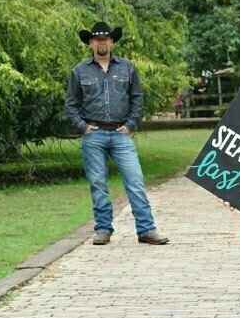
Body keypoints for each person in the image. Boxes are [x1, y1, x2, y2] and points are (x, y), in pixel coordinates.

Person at [65, 21, 169, 246]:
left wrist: (131, 125)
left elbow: (137, 98)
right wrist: (83, 127)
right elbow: (71, 104)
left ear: (112, 42)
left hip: (121, 133)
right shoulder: (79, 71)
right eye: (97, 40)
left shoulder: (127, 68)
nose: (101, 43)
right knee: (98, 183)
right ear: (91, 43)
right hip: (94, 133)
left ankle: (146, 229)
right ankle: (103, 229)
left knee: (135, 181)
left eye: (105, 39)